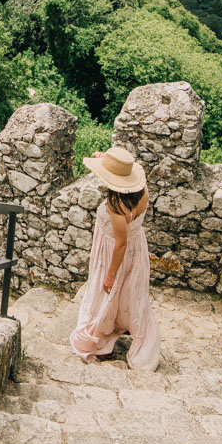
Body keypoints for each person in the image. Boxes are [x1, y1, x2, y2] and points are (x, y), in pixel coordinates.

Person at [69, 146, 161, 371]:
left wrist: (110, 274)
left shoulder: (116, 206)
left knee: (107, 291)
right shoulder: (142, 192)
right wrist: (107, 162)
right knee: (130, 291)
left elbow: (120, 243)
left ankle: (99, 331)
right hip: (137, 248)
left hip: (113, 253)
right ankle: (122, 324)